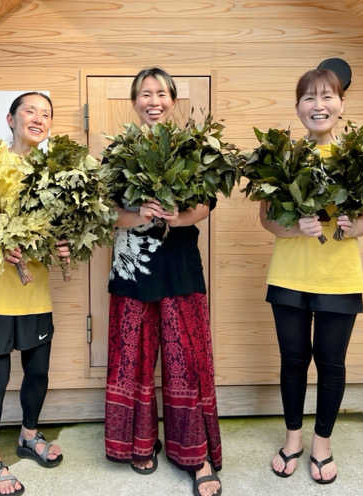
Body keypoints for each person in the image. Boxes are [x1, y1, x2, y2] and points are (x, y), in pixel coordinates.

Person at [104, 68, 223, 496]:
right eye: (144, 93)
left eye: (161, 93)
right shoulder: (118, 152)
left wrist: (179, 216)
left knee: (184, 357)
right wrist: (141, 216)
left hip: (179, 262)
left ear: (173, 100)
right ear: (133, 100)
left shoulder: (192, 147)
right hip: (133, 264)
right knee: (133, 356)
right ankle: (139, 441)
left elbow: (207, 204)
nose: (153, 100)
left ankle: (197, 454)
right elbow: (107, 213)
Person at [260, 68, 363, 485]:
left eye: (327, 97)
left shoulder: (357, 157)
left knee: (331, 363)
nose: (318, 105)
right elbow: (267, 218)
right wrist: (294, 227)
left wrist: (349, 226)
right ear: (297, 108)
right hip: (290, 275)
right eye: (309, 98)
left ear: (341, 105)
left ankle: (322, 443)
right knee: (293, 360)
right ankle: (293, 439)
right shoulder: (284, 157)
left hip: (339, 278)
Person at [0, 91, 69, 496]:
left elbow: (52, 230)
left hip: (32, 293)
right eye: (30, 111)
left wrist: (63, 244)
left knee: (38, 371)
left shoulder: (52, 174)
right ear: (10, 118)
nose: (39, 118)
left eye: (47, 114)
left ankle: (29, 435)